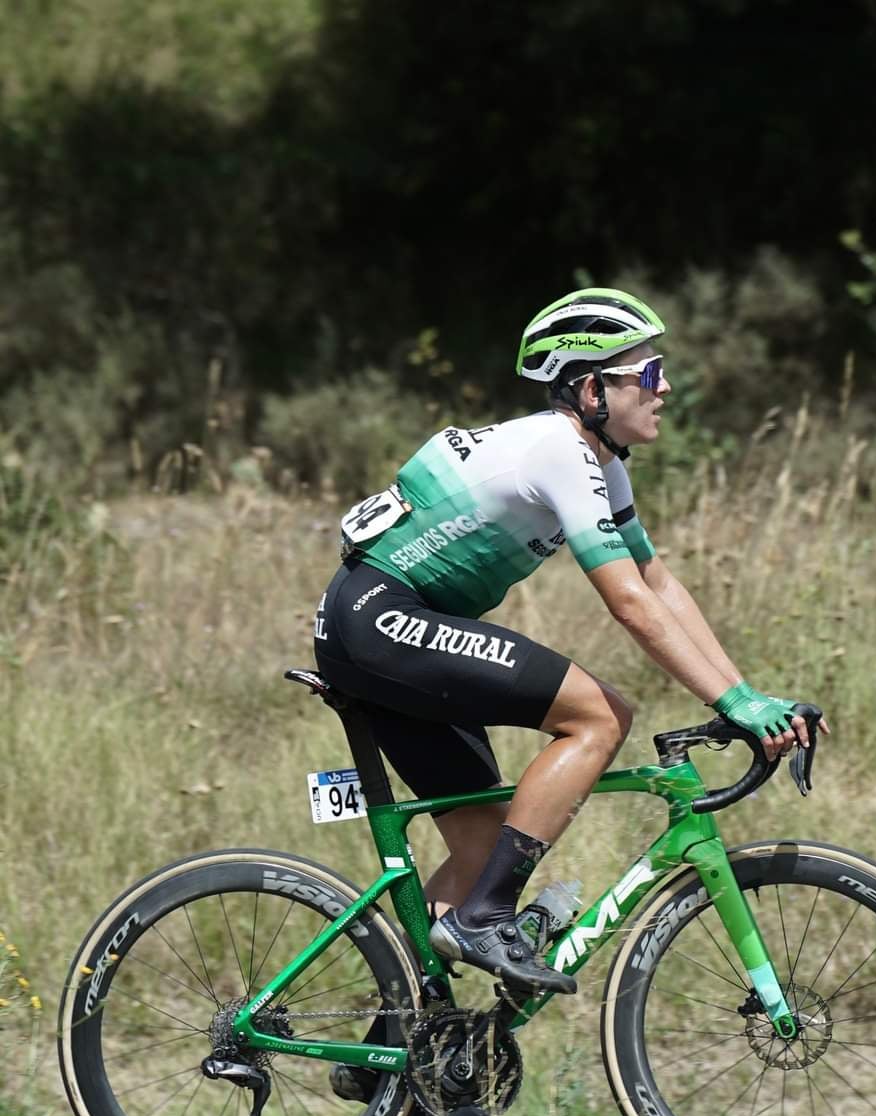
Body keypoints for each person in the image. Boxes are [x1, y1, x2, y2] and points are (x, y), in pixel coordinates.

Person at [313, 286, 823, 1004]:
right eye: (647, 373)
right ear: (591, 388)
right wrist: (732, 702)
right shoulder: (560, 450)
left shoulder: (601, 465)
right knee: (601, 715)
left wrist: (748, 697)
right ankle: (487, 919)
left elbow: (658, 584)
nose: (665, 386)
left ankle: (400, 1054)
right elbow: (630, 607)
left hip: (383, 626)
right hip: (380, 616)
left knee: (486, 846)